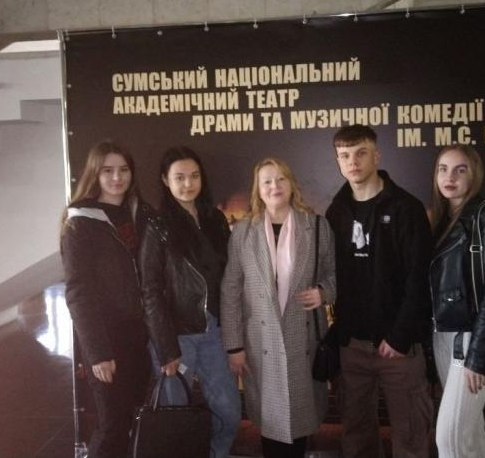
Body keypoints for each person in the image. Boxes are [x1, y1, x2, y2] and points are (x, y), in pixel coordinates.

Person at [325, 125, 433, 458]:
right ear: (338, 161)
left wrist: (400, 336)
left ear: (377, 155)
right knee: (357, 441)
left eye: (361, 153)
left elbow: (419, 279)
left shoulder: (406, 208)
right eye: (344, 155)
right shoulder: (336, 212)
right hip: (353, 347)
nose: (353, 162)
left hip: (399, 349)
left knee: (411, 440)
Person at [220, 157, 336, 458]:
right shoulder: (243, 232)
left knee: (299, 421)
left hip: (303, 337)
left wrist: (324, 292)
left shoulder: (317, 227)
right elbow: (231, 289)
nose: (275, 186)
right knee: (270, 423)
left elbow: (334, 274)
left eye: (281, 179)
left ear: (291, 184)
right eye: (267, 181)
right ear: (258, 190)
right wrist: (234, 347)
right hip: (260, 342)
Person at [139, 146, 241, 458]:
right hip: (176, 335)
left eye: (194, 176)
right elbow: (150, 291)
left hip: (215, 331)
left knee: (228, 410)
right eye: (179, 177)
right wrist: (166, 346)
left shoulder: (215, 219)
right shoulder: (157, 226)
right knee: (176, 415)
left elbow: (230, 277)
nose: (188, 184)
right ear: (165, 180)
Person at [60, 140, 153, 458]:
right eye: (108, 170)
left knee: (133, 418)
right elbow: (78, 293)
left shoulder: (140, 214)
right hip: (106, 337)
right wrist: (98, 353)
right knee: (112, 424)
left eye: (123, 170)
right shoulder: (80, 222)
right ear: (95, 174)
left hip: (139, 335)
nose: (117, 178)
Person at [429, 145, 485, 458]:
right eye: (443, 169)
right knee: (469, 435)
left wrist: (479, 356)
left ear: (474, 174)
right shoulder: (443, 221)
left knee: (450, 440)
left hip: (470, 340)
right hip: (443, 337)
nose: (449, 177)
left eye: (460, 169)